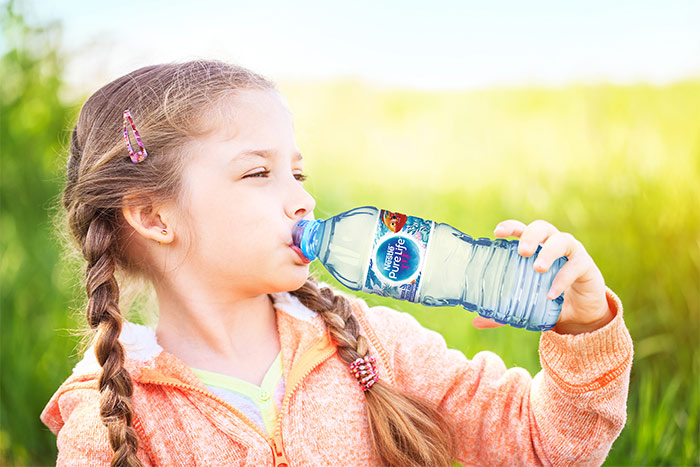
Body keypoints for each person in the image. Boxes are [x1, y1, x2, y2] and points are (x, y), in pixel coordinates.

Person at [41, 60, 633, 467]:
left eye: (298, 173)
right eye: (258, 172)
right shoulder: (112, 413)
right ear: (153, 216)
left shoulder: (369, 343)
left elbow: (545, 445)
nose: (302, 198)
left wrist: (582, 329)